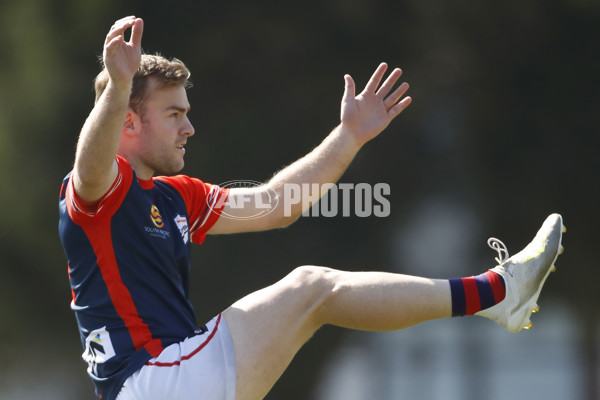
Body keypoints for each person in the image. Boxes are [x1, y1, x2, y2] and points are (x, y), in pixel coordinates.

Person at [58, 16, 566, 400]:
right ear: (128, 123)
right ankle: (497, 293)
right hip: (152, 382)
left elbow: (278, 205)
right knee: (311, 288)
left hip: (175, 376)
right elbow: (91, 161)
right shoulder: (102, 186)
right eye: (174, 114)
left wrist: (348, 137)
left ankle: (497, 296)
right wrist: (118, 86)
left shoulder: (174, 196)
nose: (189, 128)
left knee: (314, 291)